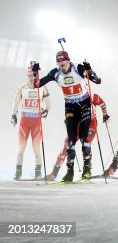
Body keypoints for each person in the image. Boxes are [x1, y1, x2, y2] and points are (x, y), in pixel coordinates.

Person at [34, 51, 101, 182]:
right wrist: (36, 74)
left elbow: (97, 81)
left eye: (63, 64)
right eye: (59, 65)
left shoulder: (78, 68)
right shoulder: (55, 72)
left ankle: (87, 170)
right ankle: (69, 172)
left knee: (84, 138)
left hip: (84, 105)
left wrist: (90, 70)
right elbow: (37, 85)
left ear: (69, 62)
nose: (61, 67)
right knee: (70, 140)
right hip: (70, 106)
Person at [46, 93, 109, 180]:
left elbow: (102, 104)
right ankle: (56, 172)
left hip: (90, 124)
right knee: (67, 145)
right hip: (77, 124)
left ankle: (87, 171)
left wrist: (105, 114)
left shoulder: (93, 96)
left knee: (86, 144)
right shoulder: (72, 96)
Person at [12, 61, 51, 180]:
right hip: (24, 121)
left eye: (33, 76)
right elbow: (16, 102)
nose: (31, 78)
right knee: (20, 148)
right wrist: (13, 114)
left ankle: (38, 171)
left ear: (37, 76)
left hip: (36, 121)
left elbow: (49, 102)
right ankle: (18, 171)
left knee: (36, 147)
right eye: (29, 76)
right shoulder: (22, 87)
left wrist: (47, 110)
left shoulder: (42, 87)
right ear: (26, 75)